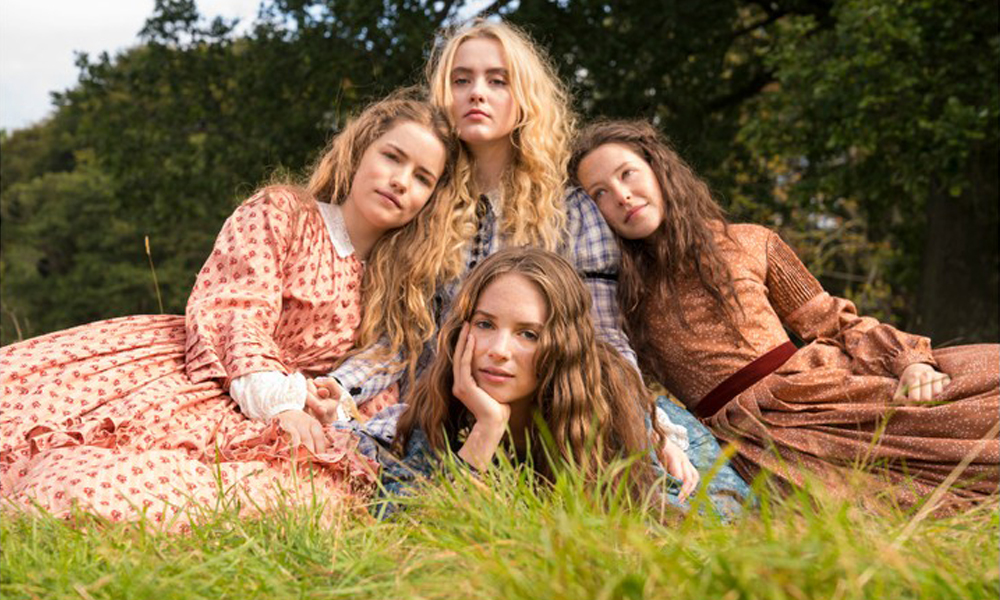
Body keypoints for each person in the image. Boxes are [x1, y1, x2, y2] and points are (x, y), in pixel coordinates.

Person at [324, 19, 749, 503]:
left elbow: (605, 339)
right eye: (461, 80)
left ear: (525, 97)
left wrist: (648, 422)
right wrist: (337, 387)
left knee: (702, 503)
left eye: (497, 80)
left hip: (557, 411)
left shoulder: (573, 211)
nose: (476, 93)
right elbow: (397, 338)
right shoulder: (422, 202)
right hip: (445, 407)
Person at [0, 92, 458, 527]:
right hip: (215, 375)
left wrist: (329, 406)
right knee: (90, 470)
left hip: (300, 415)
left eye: (422, 178)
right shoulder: (285, 213)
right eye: (392, 157)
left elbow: (375, 380)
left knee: (308, 499)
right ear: (359, 153)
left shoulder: (402, 285)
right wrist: (281, 403)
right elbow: (236, 311)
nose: (401, 181)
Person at [569, 119, 1000, 512]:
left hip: (821, 390)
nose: (621, 196)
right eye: (599, 193)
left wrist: (908, 359)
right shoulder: (618, 293)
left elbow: (832, 319)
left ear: (659, 170)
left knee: (975, 387)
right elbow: (617, 372)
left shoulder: (749, 241)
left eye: (627, 174)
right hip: (748, 439)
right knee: (871, 503)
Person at [341, 248, 747, 517]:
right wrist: (485, 431)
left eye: (528, 334)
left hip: (680, 444)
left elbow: (676, 521)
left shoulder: (605, 400)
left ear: (562, 344)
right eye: (485, 324)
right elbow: (398, 516)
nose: (498, 350)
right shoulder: (447, 403)